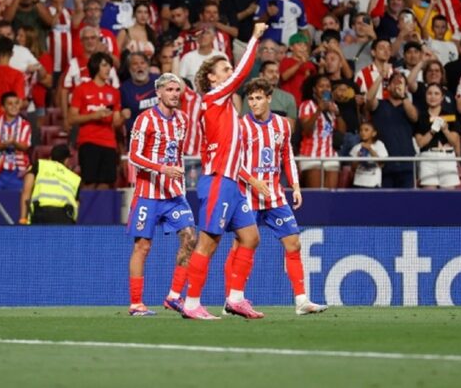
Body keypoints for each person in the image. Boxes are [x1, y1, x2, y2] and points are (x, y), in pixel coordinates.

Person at [180, 22, 266, 320]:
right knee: (209, 242)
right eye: (224, 68)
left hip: (233, 183)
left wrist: (251, 180)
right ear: (212, 78)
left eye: (229, 67)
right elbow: (243, 74)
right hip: (218, 182)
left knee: (251, 237)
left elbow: (231, 152)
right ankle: (191, 303)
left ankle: (235, 298)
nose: (230, 72)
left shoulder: (227, 108)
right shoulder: (214, 97)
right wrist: (253, 37)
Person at [231, 77, 327, 315]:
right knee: (240, 247)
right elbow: (232, 162)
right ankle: (233, 298)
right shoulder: (242, 126)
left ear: (269, 98)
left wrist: (294, 185)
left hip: (274, 196)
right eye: (250, 99)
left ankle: (302, 301)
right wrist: (253, 181)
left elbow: (287, 156)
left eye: (258, 98)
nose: (253, 103)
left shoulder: (283, 125)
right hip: (247, 196)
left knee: (293, 243)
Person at [125, 73, 197, 317]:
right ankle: (136, 304)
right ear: (158, 92)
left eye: (178, 90)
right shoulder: (145, 120)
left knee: (190, 237)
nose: (175, 94)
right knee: (142, 247)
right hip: (148, 194)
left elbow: (177, 154)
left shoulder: (183, 120)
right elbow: (133, 156)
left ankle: (174, 296)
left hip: (174, 195)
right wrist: (162, 169)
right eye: (169, 89)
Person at [68, 51, 124, 190]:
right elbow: (71, 118)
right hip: (89, 142)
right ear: (95, 66)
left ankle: (101, 212)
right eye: (104, 65)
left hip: (109, 144)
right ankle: (85, 211)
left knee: (105, 184)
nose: (108, 69)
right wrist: (94, 116)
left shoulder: (114, 92)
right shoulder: (81, 89)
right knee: (89, 183)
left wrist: (123, 116)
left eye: (109, 66)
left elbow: (116, 122)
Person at [414, 82, 461, 189]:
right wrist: (432, 131)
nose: (433, 97)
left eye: (436, 94)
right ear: (425, 96)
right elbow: (420, 143)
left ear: (442, 97)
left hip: (447, 158)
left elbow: (455, 141)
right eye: (429, 93)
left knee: (449, 199)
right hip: (428, 159)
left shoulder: (450, 115)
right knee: (429, 198)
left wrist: (445, 130)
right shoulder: (421, 117)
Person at [0, 92, 32, 193]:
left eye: (16, 103)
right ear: (2, 108)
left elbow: (25, 147)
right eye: (10, 104)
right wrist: (5, 144)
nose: (14, 106)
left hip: (18, 171)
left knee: (16, 202)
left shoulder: (25, 125)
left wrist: (14, 142)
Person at [22, 144, 81, 224]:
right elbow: (76, 206)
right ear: (66, 160)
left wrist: (23, 218)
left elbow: (26, 191)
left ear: (51, 157)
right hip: (64, 217)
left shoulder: (40, 165)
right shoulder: (75, 178)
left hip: (40, 213)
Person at [348, 120, 388, 188]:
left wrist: (370, 149)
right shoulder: (356, 147)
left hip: (373, 183)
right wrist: (358, 157)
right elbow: (353, 168)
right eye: (361, 130)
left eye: (366, 130)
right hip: (359, 183)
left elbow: (381, 164)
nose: (363, 132)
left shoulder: (379, 144)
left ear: (374, 133)